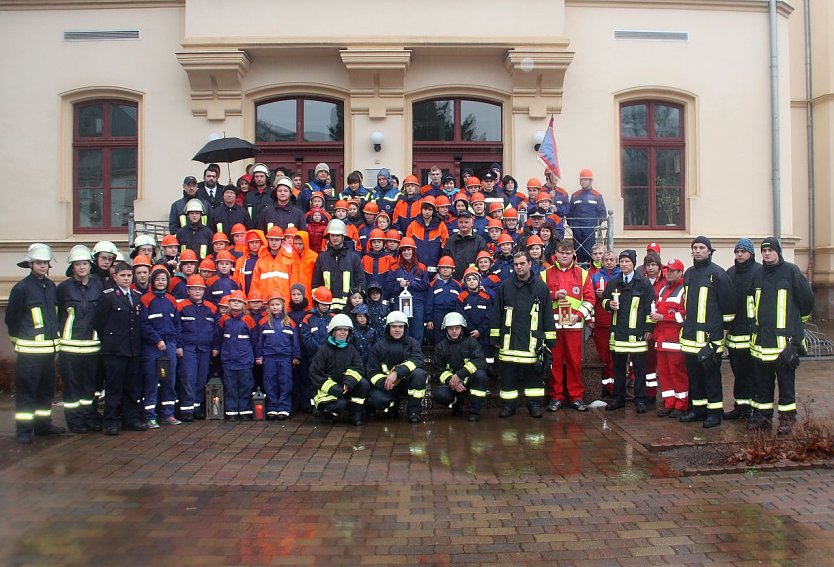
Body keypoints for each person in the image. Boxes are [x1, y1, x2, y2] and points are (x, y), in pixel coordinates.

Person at [749, 237, 814, 434]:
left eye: (770, 250)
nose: (767, 253)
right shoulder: (758, 274)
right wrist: (754, 326)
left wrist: (795, 340)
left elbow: (806, 303)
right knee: (762, 385)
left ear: (778, 251)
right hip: (761, 343)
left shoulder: (791, 272)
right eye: (764, 250)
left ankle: (787, 419)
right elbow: (751, 302)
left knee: (786, 386)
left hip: (783, 345)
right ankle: (763, 417)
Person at [6, 244, 64, 443]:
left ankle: (42, 425)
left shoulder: (51, 287)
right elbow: (11, 319)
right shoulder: (21, 288)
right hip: (29, 354)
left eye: (45, 263)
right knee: (26, 392)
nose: (42, 266)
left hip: (48, 352)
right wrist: (17, 341)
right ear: (30, 264)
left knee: (46, 391)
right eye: (38, 262)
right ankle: (24, 431)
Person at [489, 251, 557, 418]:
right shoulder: (505, 286)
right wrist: (495, 337)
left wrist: (549, 340)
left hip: (532, 342)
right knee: (508, 377)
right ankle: (508, 406)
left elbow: (547, 314)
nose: (518, 267)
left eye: (521, 263)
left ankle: (534, 405)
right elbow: (497, 312)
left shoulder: (541, 287)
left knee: (534, 377)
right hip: (508, 341)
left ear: (530, 264)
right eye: (516, 264)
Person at [678, 236, 736, 428]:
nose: (698, 250)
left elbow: (728, 308)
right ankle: (698, 409)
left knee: (711, 376)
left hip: (710, 338)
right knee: (694, 377)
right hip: (690, 337)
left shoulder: (718, 274)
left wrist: (720, 334)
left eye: (702, 247)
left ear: (709, 251)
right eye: (694, 247)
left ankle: (714, 412)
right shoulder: (688, 274)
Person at [93, 261, 148, 436]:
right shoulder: (108, 296)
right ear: (115, 277)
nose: (126, 278)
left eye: (128, 275)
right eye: (122, 275)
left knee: (132, 387)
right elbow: (100, 322)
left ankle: (130, 418)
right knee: (114, 388)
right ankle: (111, 421)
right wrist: (110, 339)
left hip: (133, 348)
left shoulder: (136, 295)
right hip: (115, 350)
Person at [542, 241, 595, 412]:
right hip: (553, 327)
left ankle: (576, 397)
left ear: (573, 254)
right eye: (561, 252)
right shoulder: (545, 274)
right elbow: (539, 298)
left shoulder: (582, 274)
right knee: (555, 363)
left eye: (568, 253)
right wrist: (553, 295)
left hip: (574, 326)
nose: (564, 256)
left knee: (574, 362)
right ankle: (556, 397)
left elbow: (590, 299)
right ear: (555, 254)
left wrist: (578, 315)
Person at [57, 245, 104, 434]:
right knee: (72, 388)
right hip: (70, 347)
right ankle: (74, 421)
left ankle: (88, 417)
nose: (82, 267)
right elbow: (58, 315)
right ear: (72, 267)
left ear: (90, 265)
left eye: (85, 263)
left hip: (92, 346)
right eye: (78, 264)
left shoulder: (98, 285)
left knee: (90, 388)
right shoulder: (63, 288)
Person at [601, 249, 655, 413]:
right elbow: (603, 301)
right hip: (618, 333)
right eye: (622, 261)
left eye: (627, 262)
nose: (624, 264)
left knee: (639, 369)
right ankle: (618, 398)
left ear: (633, 264)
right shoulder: (614, 282)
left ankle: (640, 399)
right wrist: (608, 303)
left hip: (638, 334)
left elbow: (650, 307)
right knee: (618, 368)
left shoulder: (643, 283)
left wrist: (649, 328)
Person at [138, 265, 181, 428]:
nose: (161, 282)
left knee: (169, 381)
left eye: (163, 279)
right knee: (152, 381)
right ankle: (150, 415)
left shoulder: (171, 300)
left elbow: (177, 323)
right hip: (152, 347)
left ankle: (168, 414)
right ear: (152, 281)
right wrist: (157, 340)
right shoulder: (146, 299)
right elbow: (144, 324)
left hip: (169, 345)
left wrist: (176, 343)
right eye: (158, 279)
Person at [366, 311, 428, 423]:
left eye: (400, 326)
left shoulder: (412, 343)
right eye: (394, 326)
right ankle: (392, 406)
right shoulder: (379, 346)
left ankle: (414, 412)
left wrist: (397, 373)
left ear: (405, 328)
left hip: (407, 384)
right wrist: (384, 382)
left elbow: (418, 360)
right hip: (387, 385)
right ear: (388, 328)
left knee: (419, 374)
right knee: (375, 400)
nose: (397, 330)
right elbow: (372, 371)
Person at [724, 238, 762, 421]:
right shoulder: (730, 273)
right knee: (738, 373)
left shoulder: (759, 272)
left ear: (751, 254)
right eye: (737, 251)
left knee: (754, 374)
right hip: (734, 333)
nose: (739, 255)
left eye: (743, 252)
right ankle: (741, 407)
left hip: (752, 333)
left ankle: (755, 409)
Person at [309, 313, 368, 425]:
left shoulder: (351, 349)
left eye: (346, 330)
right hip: (327, 390)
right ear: (333, 331)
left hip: (344, 386)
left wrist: (348, 382)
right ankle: (326, 412)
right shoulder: (323, 350)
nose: (343, 332)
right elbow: (315, 374)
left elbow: (358, 368)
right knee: (338, 405)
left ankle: (355, 414)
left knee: (363, 384)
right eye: (340, 329)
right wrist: (334, 388)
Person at [432, 311, 489, 421]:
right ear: (445, 329)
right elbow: (438, 369)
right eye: (450, 328)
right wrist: (451, 380)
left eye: (457, 328)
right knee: (440, 394)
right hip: (452, 384)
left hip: (470, 382)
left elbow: (481, 361)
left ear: (462, 328)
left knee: (481, 375)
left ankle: (474, 412)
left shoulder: (471, 342)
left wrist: (460, 375)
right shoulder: (440, 347)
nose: (454, 331)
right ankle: (456, 403)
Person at [650, 259, 688, 417]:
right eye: (667, 270)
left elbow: (684, 316)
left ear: (680, 273)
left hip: (674, 341)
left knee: (677, 373)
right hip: (661, 339)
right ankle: (669, 402)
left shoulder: (683, 290)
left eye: (672, 271)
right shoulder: (664, 289)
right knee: (664, 374)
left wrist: (663, 317)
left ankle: (681, 405)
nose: (668, 273)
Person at [212, 290, 258, 420]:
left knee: (245, 386)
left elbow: (254, 340)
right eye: (233, 301)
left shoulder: (248, 320)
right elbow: (218, 336)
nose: (236, 303)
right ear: (229, 304)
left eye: (238, 301)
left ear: (244, 304)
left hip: (245, 360)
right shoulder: (224, 320)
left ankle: (245, 410)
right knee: (230, 386)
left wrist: (255, 356)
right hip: (228, 360)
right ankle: (231, 411)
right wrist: (217, 348)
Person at [176, 275, 216, 421]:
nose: (197, 292)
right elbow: (177, 328)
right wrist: (179, 346)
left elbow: (216, 329)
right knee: (188, 377)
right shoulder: (181, 306)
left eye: (200, 289)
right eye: (194, 289)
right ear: (188, 291)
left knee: (201, 378)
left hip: (205, 348)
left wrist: (215, 346)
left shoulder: (211, 308)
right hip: (188, 347)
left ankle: (197, 407)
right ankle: (187, 409)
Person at [255, 293, 301, 420]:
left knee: (285, 383)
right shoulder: (263, 322)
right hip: (269, 358)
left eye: (277, 304)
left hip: (285, 358)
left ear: (283, 306)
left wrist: (296, 356)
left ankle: (284, 408)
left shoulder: (290, 322)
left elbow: (295, 341)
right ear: (268, 307)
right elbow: (259, 341)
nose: (275, 307)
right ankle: (271, 408)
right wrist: (259, 356)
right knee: (270, 383)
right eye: (272, 305)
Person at [312, 219, 366, 311]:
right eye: (332, 235)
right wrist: (319, 303)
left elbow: (361, 282)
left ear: (343, 237)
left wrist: (355, 302)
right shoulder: (322, 258)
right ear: (328, 237)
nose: (335, 238)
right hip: (327, 308)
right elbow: (316, 284)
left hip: (349, 309)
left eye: (338, 235)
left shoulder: (354, 258)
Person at [589, 250, 620, 397]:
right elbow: (589, 298)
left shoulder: (621, 276)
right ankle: (605, 387)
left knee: (616, 357)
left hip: (617, 322)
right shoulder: (595, 277)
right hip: (601, 322)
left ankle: (616, 387)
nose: (608, 262)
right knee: (603, 356)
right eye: (606, 259)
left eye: (611, 260)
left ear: (616, 261)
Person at [567, 169, 607, 264]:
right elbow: (569, 213)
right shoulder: (575, 195)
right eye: (582, 180)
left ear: (590, 181)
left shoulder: (597, 195)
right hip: (577, 229)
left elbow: (602, 214)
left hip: (589, 229)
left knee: (590, 252)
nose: (583, 182)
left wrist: (594, 225)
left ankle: (590, 271)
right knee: (578, 252)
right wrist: (573, 226)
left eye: (586, 180)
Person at [406, 196, 449, 275]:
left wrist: (440, 271)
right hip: (416, 270)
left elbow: (445, 249)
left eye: (430, 209)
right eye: (425, 209)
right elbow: (408, 249)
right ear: (421, 210)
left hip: (435, 271)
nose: (427, 212)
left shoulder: (441, 226)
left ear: (434, 211)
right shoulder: (413, 225)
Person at [252, 226, 294, 303]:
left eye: (277, 240)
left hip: (284, 303)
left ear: (282, 241)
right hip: (265, 305)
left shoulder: (289, 260)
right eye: (271, 240)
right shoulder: (261, 261)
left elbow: (293, 284)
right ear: (268, 240)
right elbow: (254, 285)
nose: (274, 243)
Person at [425, 256, 462, 344]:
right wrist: (429, 319)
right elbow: (429, 303)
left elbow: (461, 302)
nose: (445, 269)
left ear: (453, 269)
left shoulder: (457, 285)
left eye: (448, 267)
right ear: (439, 269)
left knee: (453, 336)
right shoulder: (433, 284)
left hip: (453, 313)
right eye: (443, 267)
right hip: (438, 314)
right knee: (439, 337)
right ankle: (439, 356)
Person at [446, 210, 487, 281]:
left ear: (472, 223)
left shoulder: (480, 241)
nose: (463, 225)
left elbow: (483, 263)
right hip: (453, 280)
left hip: (472, 281)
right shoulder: (451, 240)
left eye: (466, 222)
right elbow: (446, 259)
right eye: (461, 222)